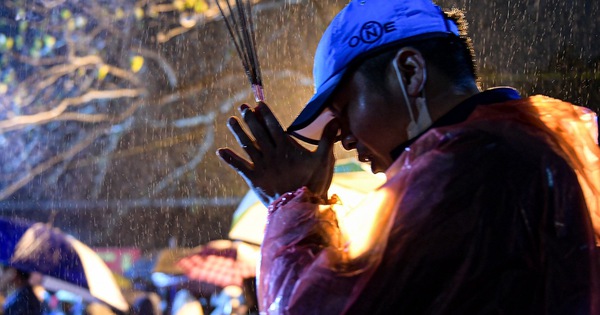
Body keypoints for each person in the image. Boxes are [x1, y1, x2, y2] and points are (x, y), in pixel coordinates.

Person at [217, 0, 600, 313]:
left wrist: (290, 206)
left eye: (345, 109)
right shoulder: (513, 145)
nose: (344, 139)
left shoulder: (467, 167)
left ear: (411, 72)